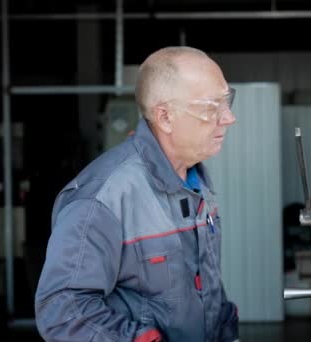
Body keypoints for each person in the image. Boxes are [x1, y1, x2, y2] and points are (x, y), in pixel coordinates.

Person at [34, 46, 239, 342]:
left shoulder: (195, 182)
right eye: (211, 107)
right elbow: (63, 311)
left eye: (227, 101)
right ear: (165, 116)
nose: (229, 117)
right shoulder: (103, 199)